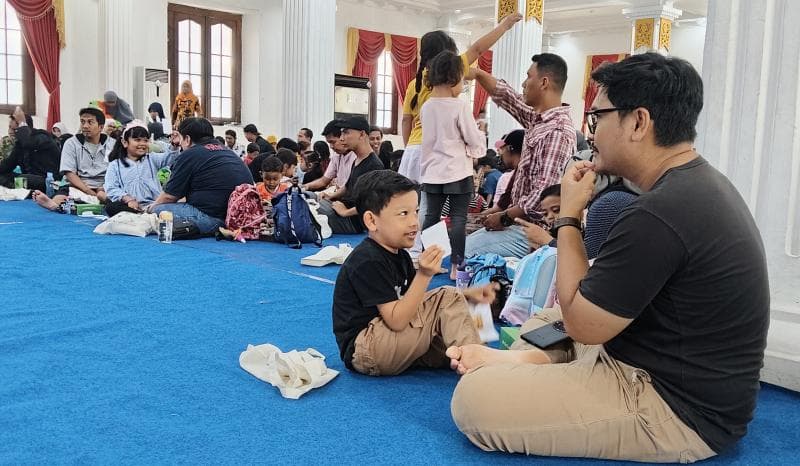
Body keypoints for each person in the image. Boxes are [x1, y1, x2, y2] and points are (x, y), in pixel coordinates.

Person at [446, 53, 769, 463]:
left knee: (474, 399)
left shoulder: (658, 212)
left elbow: (583, 326)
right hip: (661, 365)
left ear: (638, 122)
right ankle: (525, 361)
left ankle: (519, 366)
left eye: (598, 119)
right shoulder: (696, 185)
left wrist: (568, 217)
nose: (591, 133)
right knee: (549, 320)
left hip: (673, 407)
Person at [332, 169, 498, 376]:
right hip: (367, 347)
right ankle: (481, 368)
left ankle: (479, 355)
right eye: (403, 214)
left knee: (463, 316)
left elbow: (415, 303)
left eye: (415, 212)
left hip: (389, 341)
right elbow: (397, 320)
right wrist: (424, 275)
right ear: (372, 221)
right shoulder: (367, 259)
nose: (414, 222)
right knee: (447, 295)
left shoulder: (399, 255)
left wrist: (468, 299)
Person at [464, 53, 576, 259]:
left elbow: (543, 195)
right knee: (461, 243)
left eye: (528, 76)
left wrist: (505, 217)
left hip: (533, 231)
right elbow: (510, 98)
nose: (524, 84)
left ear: (544, 82)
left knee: (463, 252)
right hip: (518, 223)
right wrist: (478, 74)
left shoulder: (557, 132)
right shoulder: (539, 120)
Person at [400, 13, 522, 183]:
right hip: (440, 154)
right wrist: (504, 26)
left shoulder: (415, 83)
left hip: (413, 152)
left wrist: (410, 148)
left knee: (414, 206)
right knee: (439, 205)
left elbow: (406, 121)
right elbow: (478, 49)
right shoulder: (452, 70)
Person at [419, 50, 486, 276]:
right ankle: (456, 266)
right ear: (454, 77)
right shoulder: (459, 106)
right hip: (457, 169)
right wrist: (477, 146)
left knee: (431, 217)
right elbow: (472, 137)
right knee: (457, 219)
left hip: (431, 170)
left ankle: (429, 261)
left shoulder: (427, 105)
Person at [148, 117, 253, 234]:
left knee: (159, 210)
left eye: (181, 139)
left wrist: (149, 209)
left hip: (213, 219)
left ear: (187, 139)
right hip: (241, 219)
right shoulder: (227, 152)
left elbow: (169, 196)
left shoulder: (189, 155)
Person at [317, 116, 384, 234]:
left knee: (308, 208)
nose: (342, 139)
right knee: (309, 198)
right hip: (342, 208)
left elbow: (372, 203)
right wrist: (330, 196)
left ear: (362, 134)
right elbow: (347, 187)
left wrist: (345, 212)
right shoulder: (357, 160)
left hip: (352, 221)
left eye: (346, 133)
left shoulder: (374, 165)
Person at [102, 121, 180, 217]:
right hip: (129, 206)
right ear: (125, 142)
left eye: (145, 140)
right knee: (111, 207)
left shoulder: (151, 158)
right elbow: (111, 188)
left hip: (154, 205)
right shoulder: (115, 165)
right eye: (137, 140)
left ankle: (145, 215)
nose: (142, 144)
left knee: (170, 208)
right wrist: (128, 199)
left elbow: (169, 159)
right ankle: (140, 215)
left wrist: (174, 145)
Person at [59, 107, 115, 203]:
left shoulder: (112, 144)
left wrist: (103, 188)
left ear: (101, 127)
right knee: (58, 201)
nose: (85, 126)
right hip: (79, 185)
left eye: (90, 122)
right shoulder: (71, 143)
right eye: (82, 122)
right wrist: (88, 191)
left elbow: (116, 171)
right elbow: (69, 173)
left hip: (105, 187)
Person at [0, 107, 61, 192]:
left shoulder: (42, 137)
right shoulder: (19, 144)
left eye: (14, 129)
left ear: (25, 128)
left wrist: (22, 122)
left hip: (47, 180)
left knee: (24, 178)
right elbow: (7, 165)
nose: (10, 132)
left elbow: (27, 142)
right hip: (27, 180)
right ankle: (17, 188)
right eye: (9, 127)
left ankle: (17, 187)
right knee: (6, 176)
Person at [302, 119, 355, 194]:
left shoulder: (356, 157)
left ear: (343, 137)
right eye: (329, 143)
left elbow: (349, 188)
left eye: (333, 142)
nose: (331, 146)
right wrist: (305, 186)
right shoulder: (336, 156)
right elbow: (324, 180)